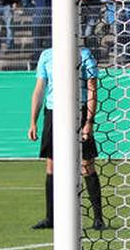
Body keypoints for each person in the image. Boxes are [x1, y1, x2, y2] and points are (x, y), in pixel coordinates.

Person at [27, 45, 104, 230]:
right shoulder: (46, 55)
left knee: (86, 164)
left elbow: (92, 89)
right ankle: (50, 218)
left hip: (78, 110)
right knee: (51, 165)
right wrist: (33, 121)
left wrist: (89, 122)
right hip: (53, 112)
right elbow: (39, 89)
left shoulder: (84, 54)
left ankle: (98, 218)